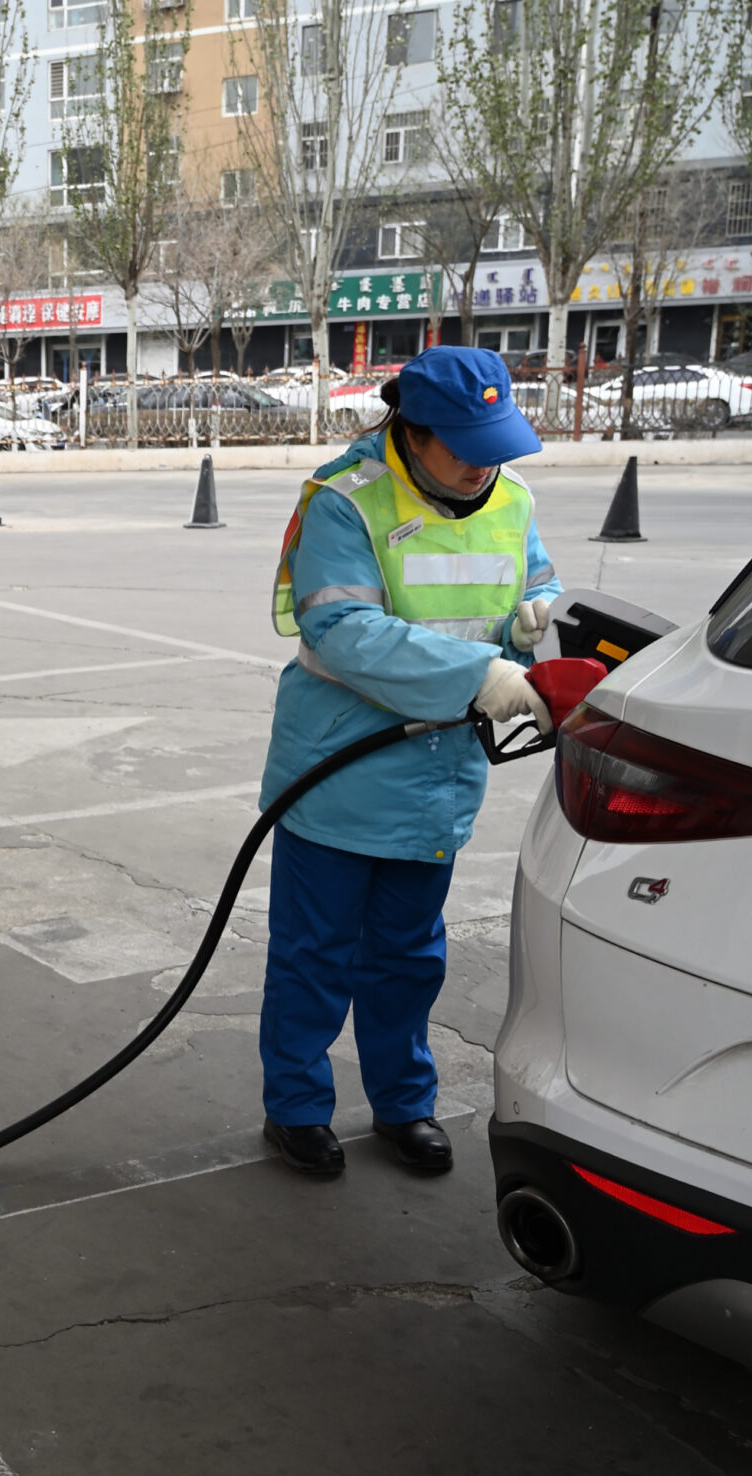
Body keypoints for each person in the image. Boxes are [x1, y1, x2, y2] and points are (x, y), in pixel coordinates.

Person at [257, 345, 561, 1177]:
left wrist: (537, 622)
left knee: (408, 958)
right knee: (315, 955)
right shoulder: (345, 501)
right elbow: (343, 631)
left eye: (493, 446)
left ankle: (403, 1104)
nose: (480, 465)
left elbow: (539, 585)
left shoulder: (513, 499)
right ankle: (296, 1107)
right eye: (462, 447)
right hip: (337, 774)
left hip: (437, 779)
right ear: (412, 431)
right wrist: (484, 674)